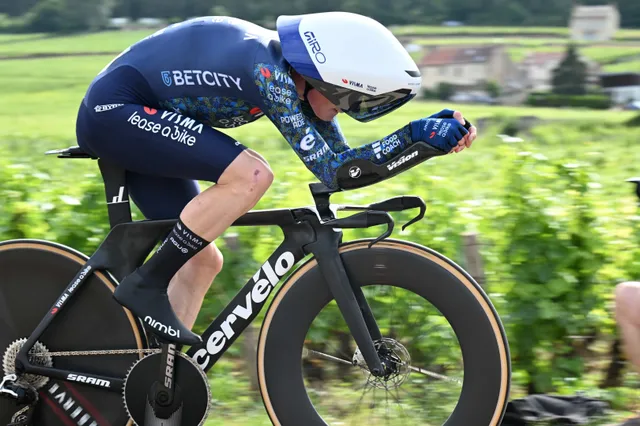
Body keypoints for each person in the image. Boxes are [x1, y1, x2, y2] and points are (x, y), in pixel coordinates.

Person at [76, 12, 477, 344]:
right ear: (326, 79)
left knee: (202, 262)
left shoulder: (288, 73)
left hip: (136, 116)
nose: (344, 111)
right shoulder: (270, 75)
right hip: (114, 111)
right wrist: (416, 137)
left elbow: (343, 165)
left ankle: (154, 376)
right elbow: (334, 172)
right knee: (252, 174)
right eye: (348, 100)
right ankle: (147, 284)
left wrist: (423, 139)